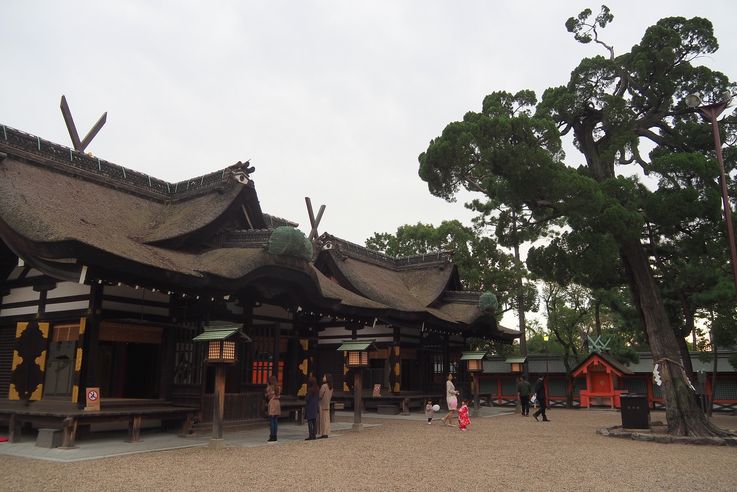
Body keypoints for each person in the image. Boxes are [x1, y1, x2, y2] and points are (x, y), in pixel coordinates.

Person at [265, 375, 281, 442]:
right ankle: (275, 436)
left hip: (272, 402)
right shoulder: (278, 387)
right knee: (275, 420)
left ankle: (272, 436)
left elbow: (268, 396)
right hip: (277, 402)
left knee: (271, 420)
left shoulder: (269, 388)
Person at [318, 373, 333, 438]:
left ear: (327, 378)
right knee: (326, 419)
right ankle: (326, 432)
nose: (323, 378)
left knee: (322, 419)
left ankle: (323, 433)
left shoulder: (324, 386)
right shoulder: (331, 386)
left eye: (324, 376)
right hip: (327, 404)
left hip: (322, 404)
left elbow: (320, 395)